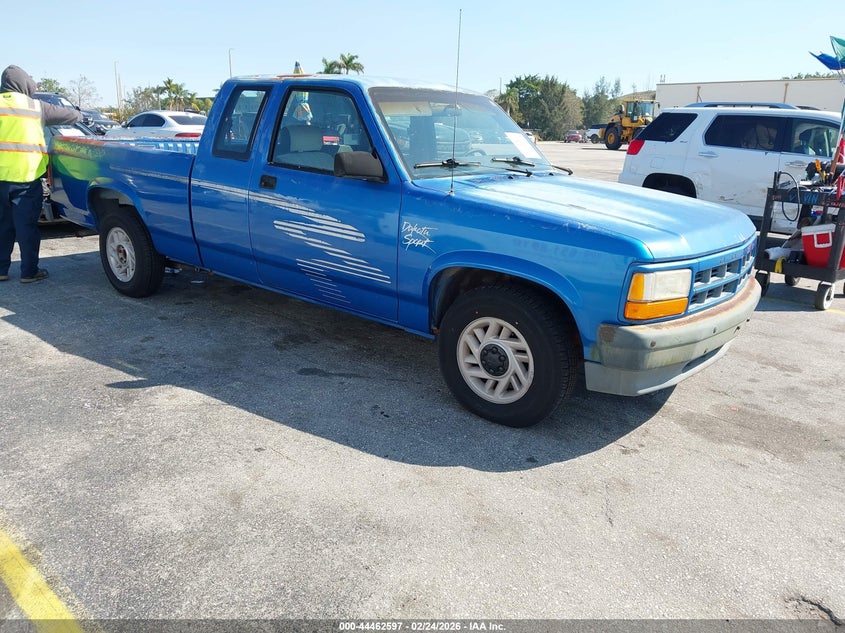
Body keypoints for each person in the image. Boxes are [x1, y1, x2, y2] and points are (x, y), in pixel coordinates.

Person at [0, 65, 81, 283]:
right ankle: (28, 272)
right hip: (26, 179)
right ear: (24, 83)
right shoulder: (35, 106)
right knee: (26, 227)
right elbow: (69, 116)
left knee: (2, 226)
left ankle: (1, 270)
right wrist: (78, 112)